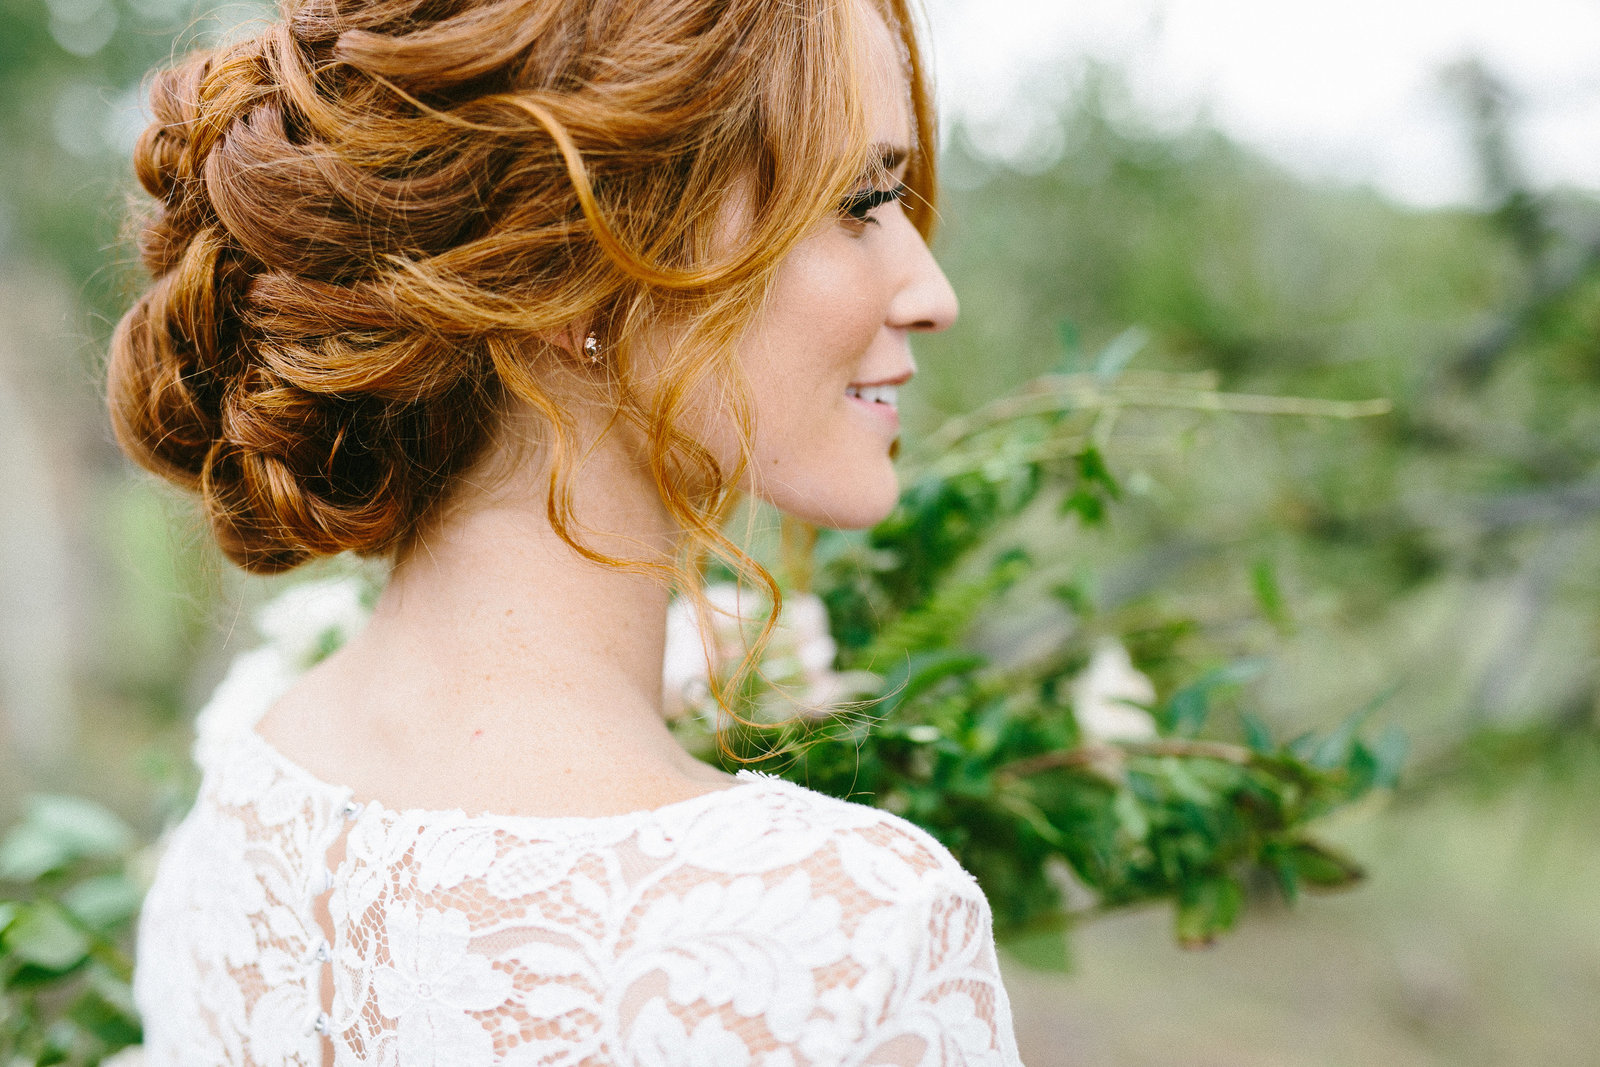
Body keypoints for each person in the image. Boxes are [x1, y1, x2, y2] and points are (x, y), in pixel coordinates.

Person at [111, 0, 1024, 1060]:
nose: (931, 292)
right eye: (859, 200)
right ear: (577, 257)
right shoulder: (845, 937)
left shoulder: (245, 796)